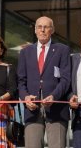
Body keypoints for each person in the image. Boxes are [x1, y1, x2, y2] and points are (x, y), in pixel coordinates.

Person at [17, 16, 71, 148]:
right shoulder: (25, 52)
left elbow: (65, 79)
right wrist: (25, 97)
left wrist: (54, 96)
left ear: (52, 30)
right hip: (32, 109)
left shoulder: (62, 50)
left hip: (56, 108)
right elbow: (21, 80)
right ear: (35, 30)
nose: (42, 30)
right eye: (39, 27)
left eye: (46, 27)